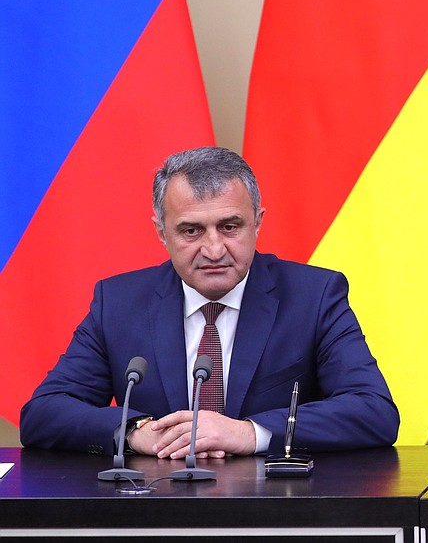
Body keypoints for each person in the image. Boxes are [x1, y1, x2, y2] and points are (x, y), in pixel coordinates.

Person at [20, 147, 399, 459]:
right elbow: (43, 413)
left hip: (278, 508)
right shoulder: (119, 303)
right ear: (161, 232)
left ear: (257, 222)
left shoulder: (313, 296)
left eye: (230, 227)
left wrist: (249, 433)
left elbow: (374, 411)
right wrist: (136, 431)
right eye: (191, 230)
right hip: (156, 507)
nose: (214, 249)